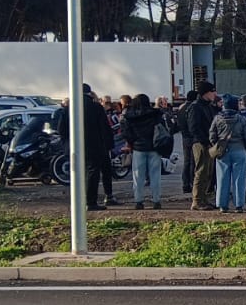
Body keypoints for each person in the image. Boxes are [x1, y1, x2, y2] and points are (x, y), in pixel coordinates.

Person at [56, 83, 116, 212]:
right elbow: (104, 128)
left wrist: (68, 142)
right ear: (89, 93)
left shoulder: (68, 108)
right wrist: (108, 145)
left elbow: (61, 129)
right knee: (92, 172)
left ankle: (77, 201)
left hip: (74, 146)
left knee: (77, 173)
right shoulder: (96, 107)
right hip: (94, 145)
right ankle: (91, 201)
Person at [210, 93, 246, 213]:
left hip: (223, 150)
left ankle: (222, 205)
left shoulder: (217, 118)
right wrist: (245, 147)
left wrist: (218, 145)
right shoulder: (241, 118)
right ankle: (239, 204)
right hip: (239, 149)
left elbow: (212, 135)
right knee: (239, 178)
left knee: (222, 178)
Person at [120, 92, 166, 209]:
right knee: (155, 175)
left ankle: (138, 201)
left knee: (138, 176)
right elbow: (163, 129)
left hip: (138, 148)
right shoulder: (155, 114)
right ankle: (156, 200)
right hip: (154, 147)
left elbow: (126, 132)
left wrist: (132, 142)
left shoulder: (130, 116)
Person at [185, 80, 220, 209]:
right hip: (201, 144)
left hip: (208, 143)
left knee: (208, 172)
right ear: (206, 92)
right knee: (201, 171)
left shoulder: (208, 106)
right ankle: (197, 201)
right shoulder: (195, 107)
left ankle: (203, 199)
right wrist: (206, 141)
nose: (215, 93)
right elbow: (194, 128)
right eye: (212, 91)